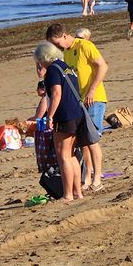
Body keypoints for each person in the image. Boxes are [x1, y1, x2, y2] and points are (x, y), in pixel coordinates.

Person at [48, 23, 107, 193]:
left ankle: (97, 178)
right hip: (78, 101)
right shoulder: (66, 53)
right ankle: (87, 176)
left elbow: (103, 66)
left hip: (93, 98)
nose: (57, 47)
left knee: (92, 139)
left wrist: (92, 90)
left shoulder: (85, 45)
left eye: (58, 43)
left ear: (65, 35)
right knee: (83, 142)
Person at [33, 41, 85, 201]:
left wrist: (50, 116)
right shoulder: (66, 67)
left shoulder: (53, 71)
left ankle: (68, 194)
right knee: (71, 154)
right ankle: (78, 192)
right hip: (77, 113)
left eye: (38, 61)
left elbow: (56, 94)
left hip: (65, 116)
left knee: (63, 156)